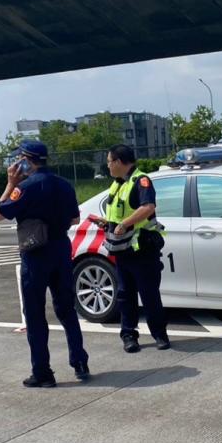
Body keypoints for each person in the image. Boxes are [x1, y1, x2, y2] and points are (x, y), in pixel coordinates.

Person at [0, 139, 90, 388]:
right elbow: (74, 218)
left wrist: (10, 183)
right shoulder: (64, 185)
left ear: (26, 160)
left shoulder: (25, 187)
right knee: (67, 309)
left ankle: (43, 372)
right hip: (60, 249)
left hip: (35, 253)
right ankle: (80, 362)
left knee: (35, 314)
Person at [90, 144, 170, 353]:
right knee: (125, 295)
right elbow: (117, 215)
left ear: (118, 162)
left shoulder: (141, 181)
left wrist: (124, 224)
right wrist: (107, 223)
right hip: (122, 249)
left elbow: (148, 207)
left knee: (149, 293)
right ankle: (129, 336)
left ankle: (159, 334)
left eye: (109, 161)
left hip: (142, 248)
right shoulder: (117, 185)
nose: (107, 166)